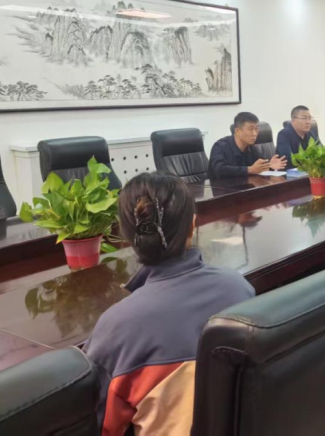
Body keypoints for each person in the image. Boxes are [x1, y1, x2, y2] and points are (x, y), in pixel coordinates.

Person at [84, 173, 255, 435]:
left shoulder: (116, 326)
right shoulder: (239, 288)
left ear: (126, 236)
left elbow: (97, 425)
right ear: (193, 226)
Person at [209, 112, 286, 177]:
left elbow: (259, 163)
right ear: (237, 131)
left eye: (256, 129)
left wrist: (269, 165)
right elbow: (219, 170)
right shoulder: (220, 146)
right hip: (220, 188)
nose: (255, 134)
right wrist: (249, 170)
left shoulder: (250, 147)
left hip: (243, 186)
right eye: (251, 129)